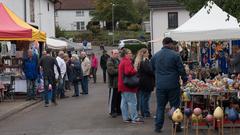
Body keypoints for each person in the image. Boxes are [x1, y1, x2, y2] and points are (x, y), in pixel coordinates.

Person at [151, 37, 188, 132]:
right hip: (173, 85)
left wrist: (158, 76)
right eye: (173, 44)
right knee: (175, 106)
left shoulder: (155, 56)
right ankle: (176, 126)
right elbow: (181, 70)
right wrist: (185, 80)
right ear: (170, 44)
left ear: (163, 44)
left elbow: (151, 69)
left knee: (160, 106)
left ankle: (158, 127)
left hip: (160, 85)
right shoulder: (175, 55)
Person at [118, 48, 144, 124]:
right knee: (132, 102)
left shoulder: (122, 61)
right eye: (129, 53)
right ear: (126, 54)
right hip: (128, 85)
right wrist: (135, 70)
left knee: (124, 102)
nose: (131, 54)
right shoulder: (127, 61)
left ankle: (126, 117)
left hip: (122, 85)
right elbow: (128, 72)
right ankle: (134, 118)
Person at [134, 48, 154, 118]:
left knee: (142, 97)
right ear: (144, 53)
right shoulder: (144, 62)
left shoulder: (139, 61)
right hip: (146, 82)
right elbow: (150, 71)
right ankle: (145, 113)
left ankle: (144, 112)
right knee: (145, 98)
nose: (148, 54)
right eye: (147, 52)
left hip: (142, 82)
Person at [107, 49, 121, 118]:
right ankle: (112, 111)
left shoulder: (118, 60)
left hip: (119, 83)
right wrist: (120, 69)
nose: (117, 54)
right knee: (112, 98)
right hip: (113, 83)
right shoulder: (110, 61)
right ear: (112, 54)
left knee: (118, 98)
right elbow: (111, 71)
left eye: (117, 53)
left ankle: (118, 110)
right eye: (115, 53)